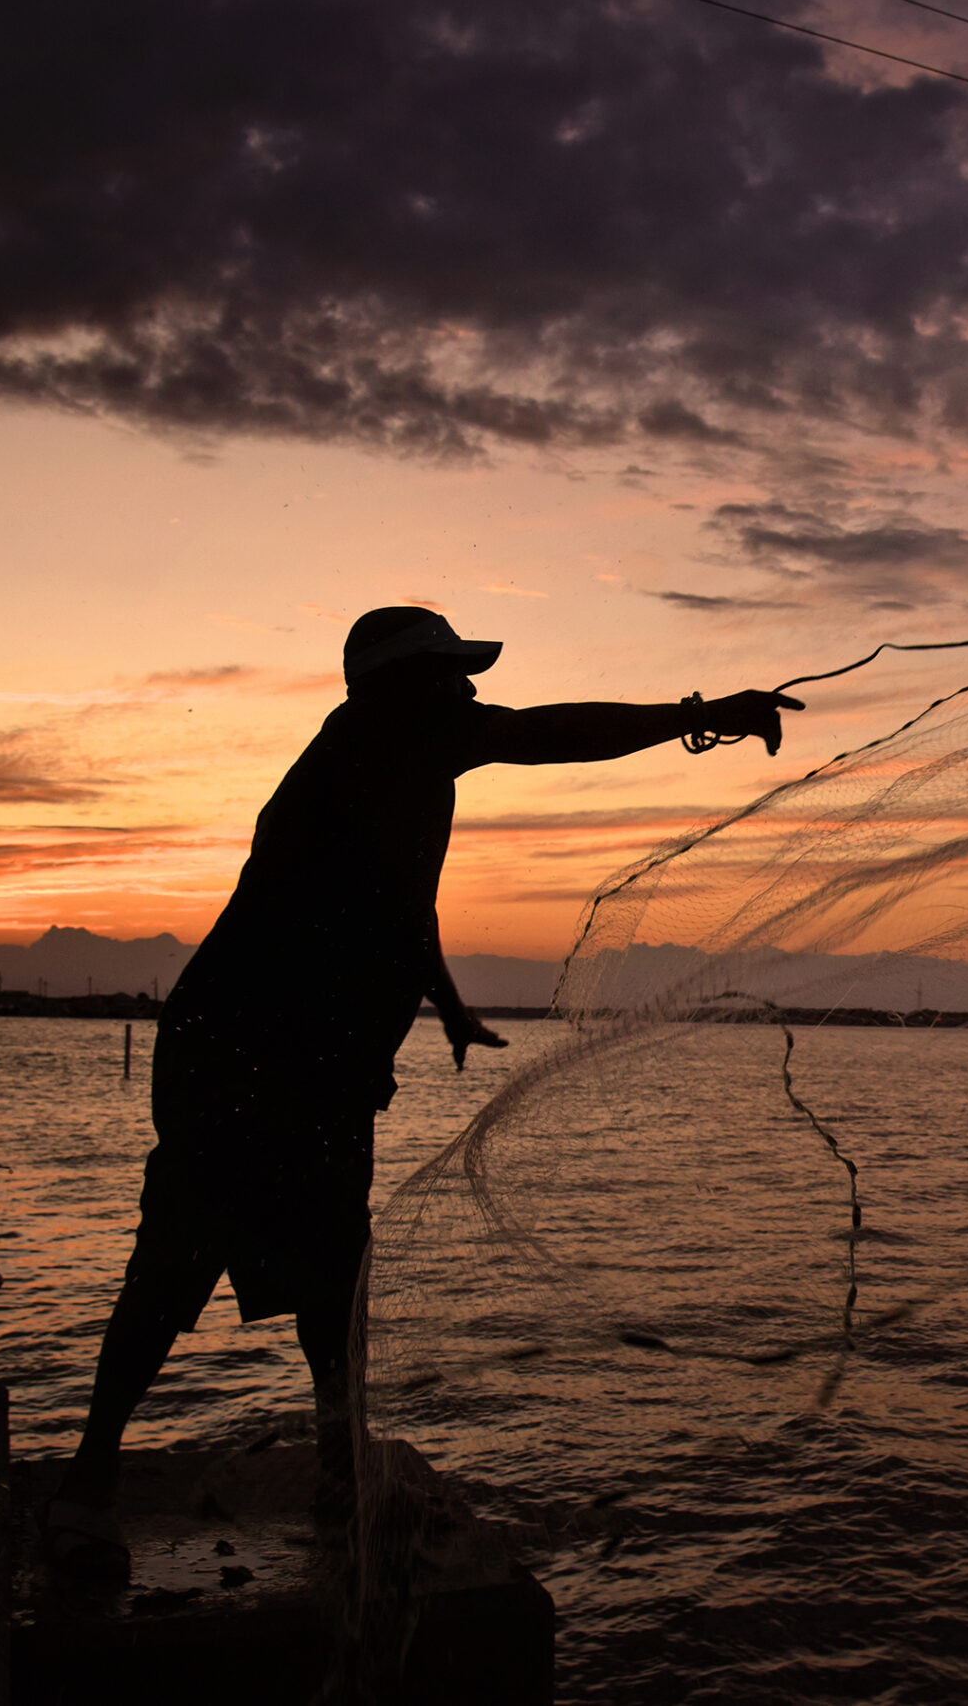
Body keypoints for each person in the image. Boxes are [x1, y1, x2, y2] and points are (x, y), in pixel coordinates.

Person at [43, 605, 801, 1578]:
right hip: (242, 1056)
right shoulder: (382, 736)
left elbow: (401, 901)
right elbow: (549, 732)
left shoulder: (393, 767)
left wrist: (442, 1001)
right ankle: (88, 1484)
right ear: (398, 684)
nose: (470, 690)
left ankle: (338, 1467)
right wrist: (709, 714)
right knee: (176, 1260)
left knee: (334, 1266)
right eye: (451, 673)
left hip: (311, 1061)